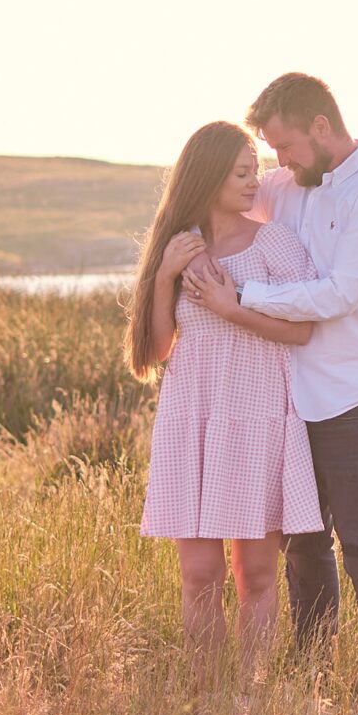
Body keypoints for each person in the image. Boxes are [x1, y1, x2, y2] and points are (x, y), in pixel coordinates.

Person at [184, 73, 358, 693]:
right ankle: (311, 671)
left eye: (283, 147)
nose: (275, 164)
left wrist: (241, 297)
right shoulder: (288, 188)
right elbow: (224, 206)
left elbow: (338, 294)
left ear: (321, 127)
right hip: (289, 401)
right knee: (303, 546)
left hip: (357, 397)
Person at [125, 120, 324, 674]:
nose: (253, 183)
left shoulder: (273, 244)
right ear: (209, 176)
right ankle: (208, 694)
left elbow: (303, 331)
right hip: (192, 420)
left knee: (255, 575)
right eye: (241, 172)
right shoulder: (179, 248)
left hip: (257, 418)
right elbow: (156, 350)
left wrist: (231, 304)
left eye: (255, 171)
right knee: (199, 576)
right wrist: (164, 274)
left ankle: (251, 693)